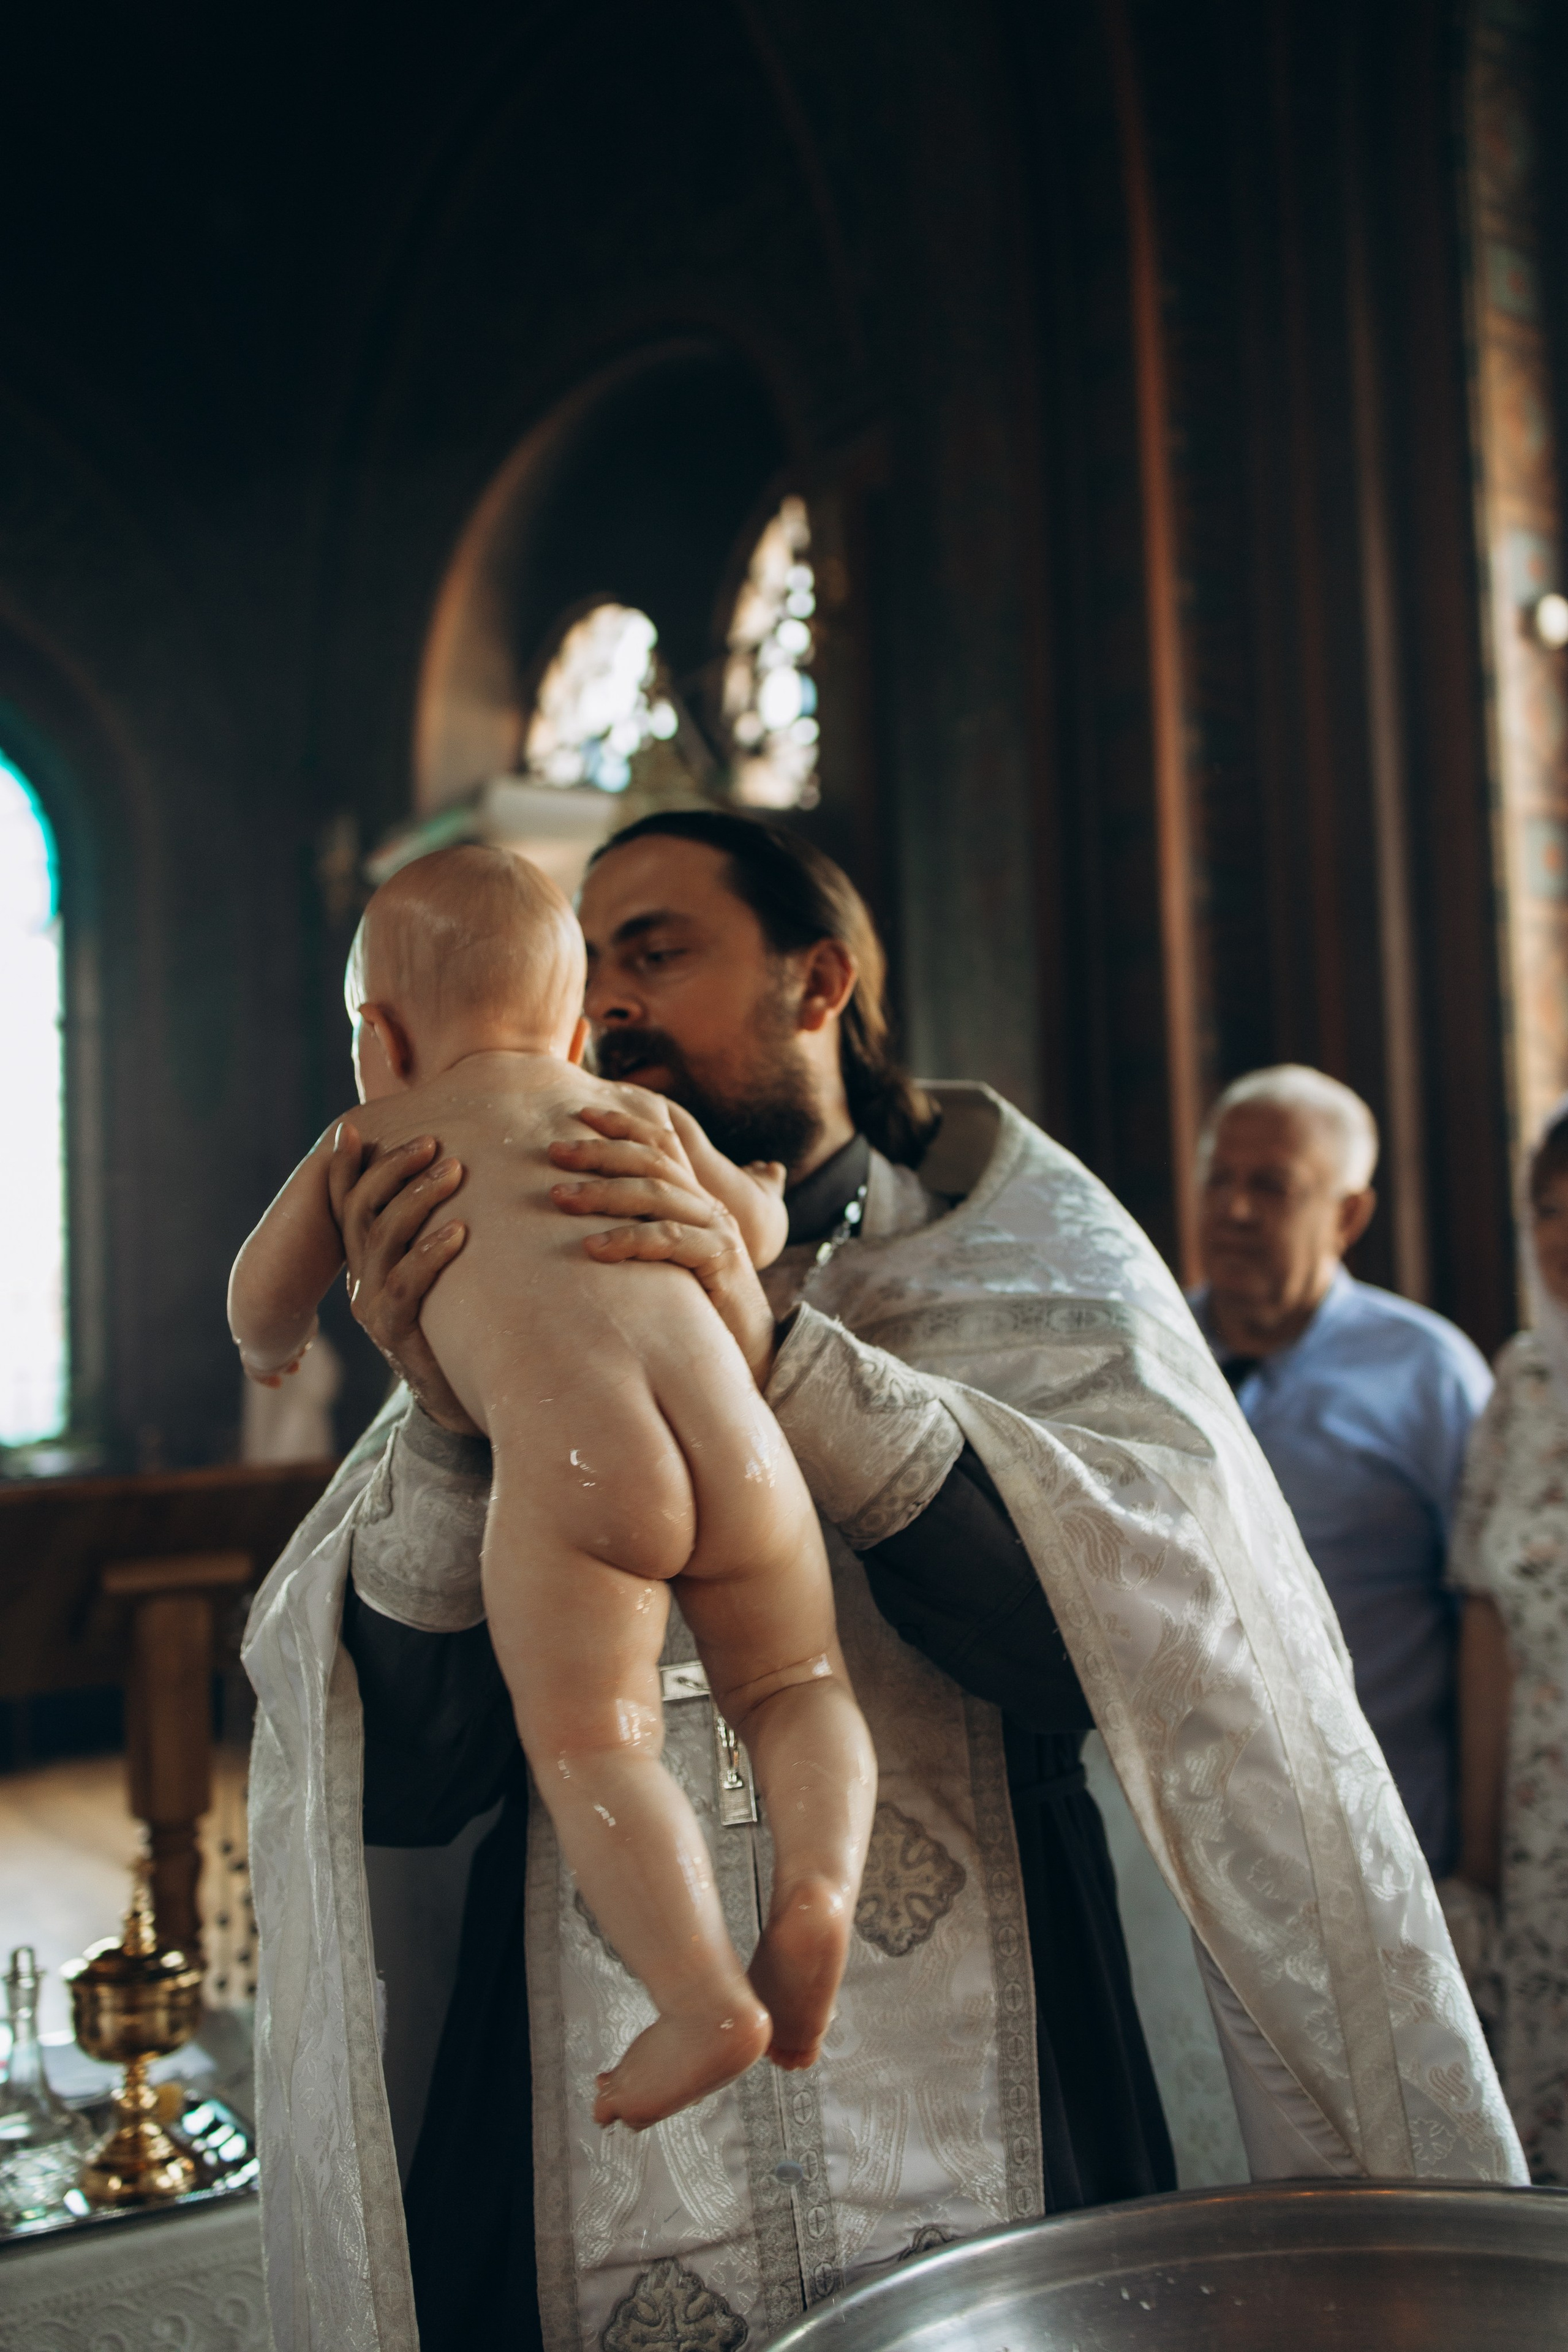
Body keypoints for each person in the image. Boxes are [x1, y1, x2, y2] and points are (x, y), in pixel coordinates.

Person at [243, 816, 1522, 2352]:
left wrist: (782, 1355)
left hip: (1010, 2085)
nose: (616, 998)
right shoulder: (494, 1246)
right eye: (598, 960)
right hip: (566, 2119)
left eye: (656, 948)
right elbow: (409, 1762)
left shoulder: (1030, 1259)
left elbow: (1143, 1654)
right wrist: (449, 1422)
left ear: (819, 981)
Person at [228, 845, 875, 2127]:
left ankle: (701, 1997)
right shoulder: (630, 1118)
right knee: (800, 1684)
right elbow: (752, 1232)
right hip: (737, 1449)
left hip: (580, 1477)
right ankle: (818, 1894)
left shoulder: (369, 1137)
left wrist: (270, 1347)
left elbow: (260, 1292)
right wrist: (744, 1202)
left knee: (594, 1739)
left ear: (378, 1038)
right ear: (577, 1027)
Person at [1191, 1065, 1493, 1876]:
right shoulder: (1147, 1356)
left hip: (1390, 1842)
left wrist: (1481, 1857)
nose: (1235, 1210)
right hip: (1190, 1845)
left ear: (1349, 1214)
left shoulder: (1428, 1374)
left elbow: (1490, 1619)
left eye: (1272, 1187)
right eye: (1219, 1180)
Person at [1449, 1099, 1568, 2182]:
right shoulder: (1521, 1384)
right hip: (1545, 1829)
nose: (1563, 1237)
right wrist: (1480, 1856)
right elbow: (1483, 1617)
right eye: (1547, 1211)